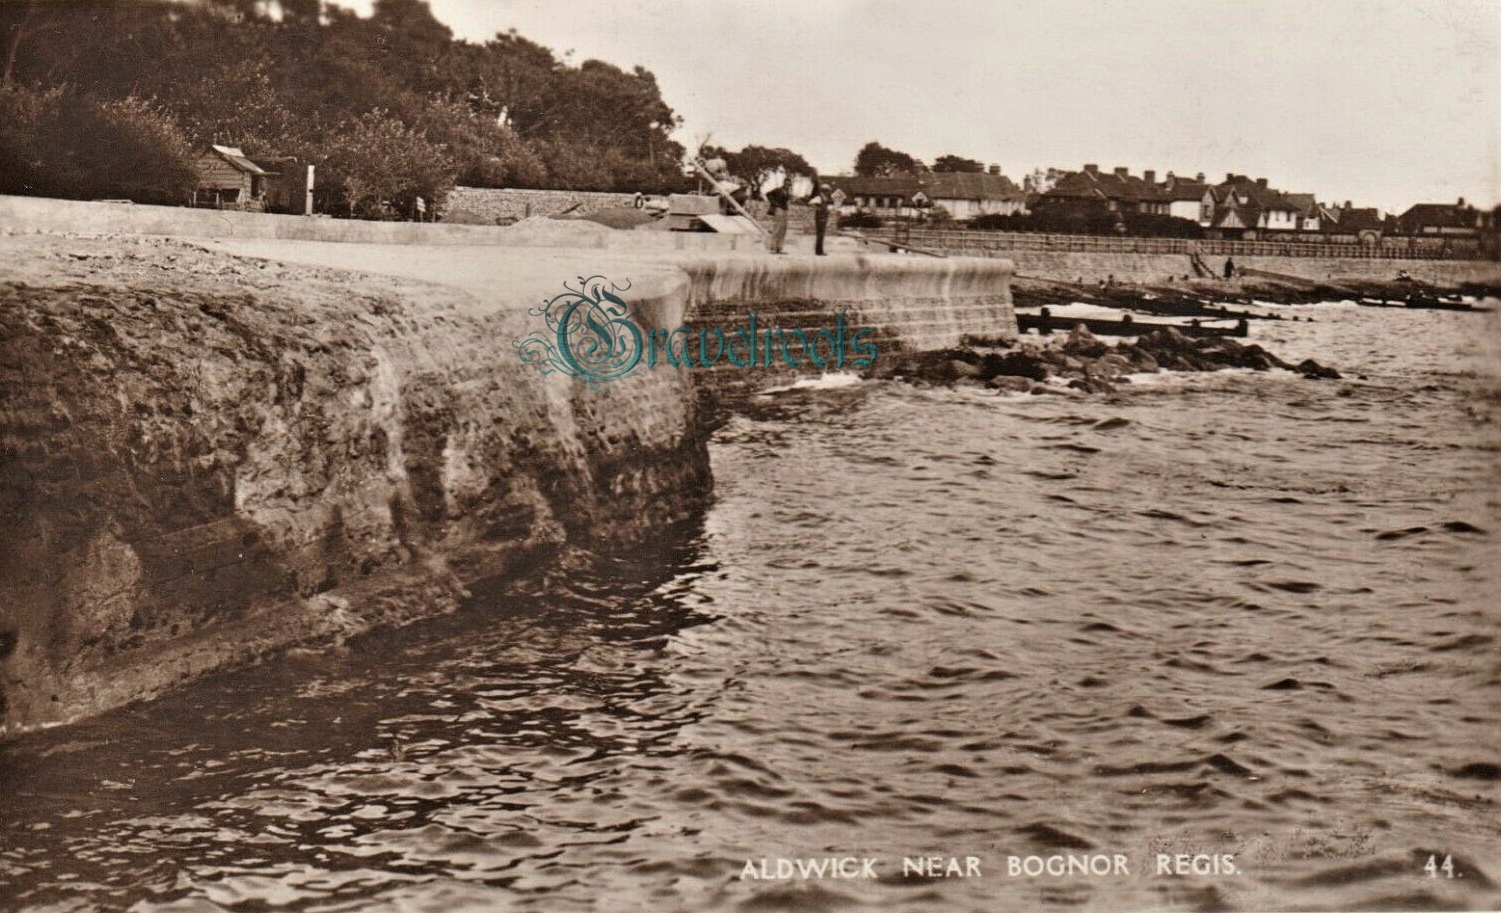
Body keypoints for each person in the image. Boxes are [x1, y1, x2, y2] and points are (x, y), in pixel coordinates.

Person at [807, 180, 833, 255]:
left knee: (821, 234)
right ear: (825, 191)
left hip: (823, 217)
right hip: (820, 217)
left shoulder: (824, 198)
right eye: (828, 191)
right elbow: (810, 203)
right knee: (820, 234)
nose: (829, 193)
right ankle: (819, 251)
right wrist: (818, 208)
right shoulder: (819, 197)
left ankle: (820, 250)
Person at [766, 183, 790, 254]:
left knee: (783, 229)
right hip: (779, 209)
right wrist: (774, 203)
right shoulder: (778, 190)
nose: (788, 185)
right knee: (777, 228)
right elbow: (768, 194)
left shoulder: (787, 192)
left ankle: (779, 247)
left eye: (789, 184)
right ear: (784, 183)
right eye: (787, 183)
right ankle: (773, 247)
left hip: (785, 210)